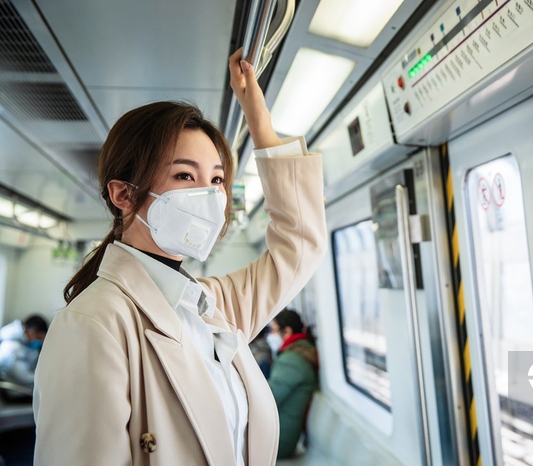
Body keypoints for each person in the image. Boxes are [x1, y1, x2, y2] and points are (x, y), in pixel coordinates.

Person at [32, 48, 327, 466]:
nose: (209, 196)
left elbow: (300, 245)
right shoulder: (93, 325)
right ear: (124, 195)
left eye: (218, 179)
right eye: (185, 175)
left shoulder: (212, 308)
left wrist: (259, 121)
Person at [267, 309, 318, 459]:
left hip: (279, 441)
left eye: (273, 330)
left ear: (287, 331)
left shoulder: (292, 361)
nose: (270, 335)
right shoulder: (296, 354)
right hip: (278, 434)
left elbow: (269, 400)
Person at [0, 315, 48, 389]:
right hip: (16, 393)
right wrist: (45, 378)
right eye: (39, 338)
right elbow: (24, 377)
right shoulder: (12, 349)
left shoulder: (23, 344)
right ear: (31, 333)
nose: (40, 342)